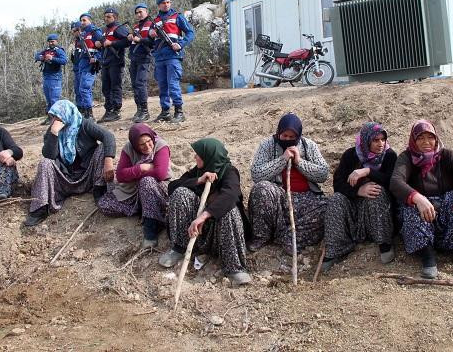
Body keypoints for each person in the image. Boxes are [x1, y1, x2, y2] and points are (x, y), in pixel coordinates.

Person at [390, 119, 453, 280]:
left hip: (446, 203)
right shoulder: (406, 157)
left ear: (436, 139)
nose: (426, 142)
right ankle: (428, 260)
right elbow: (396, 182)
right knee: (412, 211)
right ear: (413, 140)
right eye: (420, 138)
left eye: (430, 137)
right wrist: (417, 198)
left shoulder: (447, 155)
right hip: (423, 207)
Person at [158, 138, 251, 286]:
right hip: (196, 233)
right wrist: (198, 180)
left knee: (230, 210)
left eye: (198, 155)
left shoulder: (229, 171)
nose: (195, 157)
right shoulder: (198, 171)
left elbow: (231, 195)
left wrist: (205, 215)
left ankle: (234, 267)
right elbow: (172, 187)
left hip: (221, 235)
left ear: (209, 156)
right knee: (180, 193)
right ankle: (178, 247)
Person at [24, 100, 116, 227]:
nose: (55, 120)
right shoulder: (51, 131)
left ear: (68, 113)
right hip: (64, 180)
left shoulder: (83, 124)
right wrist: (54, 133)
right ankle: (40, 209)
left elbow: (108, 137)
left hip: (88, 176)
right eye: (53, 116)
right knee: (45, 163)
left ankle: (99, 190)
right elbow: (49, 156)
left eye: (58, 116)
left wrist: (109, 161)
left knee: (102, 149)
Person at [248, 113, 329, 253]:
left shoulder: (309, 145)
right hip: (278, 199)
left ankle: (290, 238)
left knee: (329, 208)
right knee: (261, 189)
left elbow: (323, 174)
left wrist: (299, 162)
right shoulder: (267, 145)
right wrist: (283, 159)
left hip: (306, 199)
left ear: (298, 136)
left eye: (292, 137)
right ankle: (262, 237)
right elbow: (256, 174)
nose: (288, 140)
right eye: (284, 136)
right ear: (278, 132)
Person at [323, 122, 398, 271]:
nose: (381, 144)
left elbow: (392, 182)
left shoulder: (389, 156)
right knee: (335, 199)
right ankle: (336, 249)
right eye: (375, 140)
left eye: (383, 139)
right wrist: (358, 191)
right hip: (353, 207)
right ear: (366, 141)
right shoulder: (350, 155)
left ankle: (384, 243)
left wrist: (368, 172)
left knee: (377, 191)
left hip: (377, 212)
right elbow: (338, 184)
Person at [97, 124, 171, 248]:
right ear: (135, 144)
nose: (147, 146)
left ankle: (151, 230)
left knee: (147, 181)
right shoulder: (128, 149)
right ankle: (144, 208)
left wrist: (132, 173)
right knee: (104, 205)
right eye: (142, 144)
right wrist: (141, 168)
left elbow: (160, 174)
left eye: (148, 141)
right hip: (133, 189)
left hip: (157, 187)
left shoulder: (161, 146)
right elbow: (120, 175)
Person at [149, 0, 195, 123]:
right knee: (162, 85)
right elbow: (150, 38)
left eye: (168, 2)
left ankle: (179, 112)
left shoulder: (177, 17)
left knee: (173, 84)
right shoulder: (155, 20)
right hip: (159, 57)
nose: (166, 4)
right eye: (163, 2)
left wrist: (180, 44)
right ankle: (165, 112)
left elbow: (190, 33)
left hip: (172, 56)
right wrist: (151, 33)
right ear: (159, 5)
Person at [96, 8, 130, 123]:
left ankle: (116, 111)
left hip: (116, 61)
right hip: (106, 62)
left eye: (109, 16)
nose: (106, 19)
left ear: (115, 17)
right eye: (105, 16)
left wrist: (112, 43)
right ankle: (108, 110)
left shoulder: (119, 28)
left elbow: (127, 42)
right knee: (106, 87)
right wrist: (100, 44)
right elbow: (104, 43)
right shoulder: (105, 30)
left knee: (115, 86)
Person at [127, 3, 155, 123]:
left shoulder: (151, 24)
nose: (138, 14)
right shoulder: (136, 26)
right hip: (134, 58)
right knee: (134, 84)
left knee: (140, 83)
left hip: (144, 58)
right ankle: (139, 109)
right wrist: (130, 38)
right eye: (137, 12)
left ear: (146, 12)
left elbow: (152, 42)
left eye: (141, 12)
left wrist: (140, 40)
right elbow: (133, 42)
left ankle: (145, 111)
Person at [72, 13, 103, 119]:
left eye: (84, 20)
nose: (82, 22)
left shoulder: (95, 32)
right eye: (81, 20)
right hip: (82, 63)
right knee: (82, 89)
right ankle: (86, 112)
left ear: (90, 20)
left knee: (84, 88)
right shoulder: (82, 34)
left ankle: (90, 114)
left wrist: (97, 57)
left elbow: (102, 46)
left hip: (91, 63)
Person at [34, 33, 68, 125]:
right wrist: (41, 57)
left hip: (55, 77)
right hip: (46, 76)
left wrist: (52, 58)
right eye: (49, 42)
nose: (51, 43)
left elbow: (64, 61)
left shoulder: (59, 50)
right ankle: (50, 117)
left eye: (52, 41)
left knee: (54, 99)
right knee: (48, 99)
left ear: (56, 41)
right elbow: (36, 55)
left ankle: (58, 118)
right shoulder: (46, 50)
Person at [69, 21, 83, 103]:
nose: (75, 33)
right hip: (76, 69)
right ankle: (80, 108)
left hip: (84, 69)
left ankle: (86, 109)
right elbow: (73, 60)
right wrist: (72, 52)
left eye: (76, 30)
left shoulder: (85, 40)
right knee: (77, 90)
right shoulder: (74, 43)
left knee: (83, 90)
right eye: (73, 31)